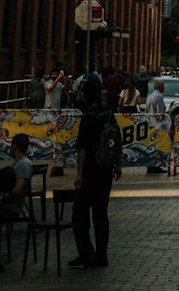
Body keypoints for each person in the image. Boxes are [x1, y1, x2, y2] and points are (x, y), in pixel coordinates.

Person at [70, 77, 122, 269]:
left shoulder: (88, 117)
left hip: (90, 171)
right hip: (105, 171)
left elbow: (82, 148)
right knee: (101, 214)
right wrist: (119, 164)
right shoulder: (109, 114)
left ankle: (86, 253)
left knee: (79, 214)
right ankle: (101, 255)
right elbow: (117, 139)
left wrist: (79, 173)